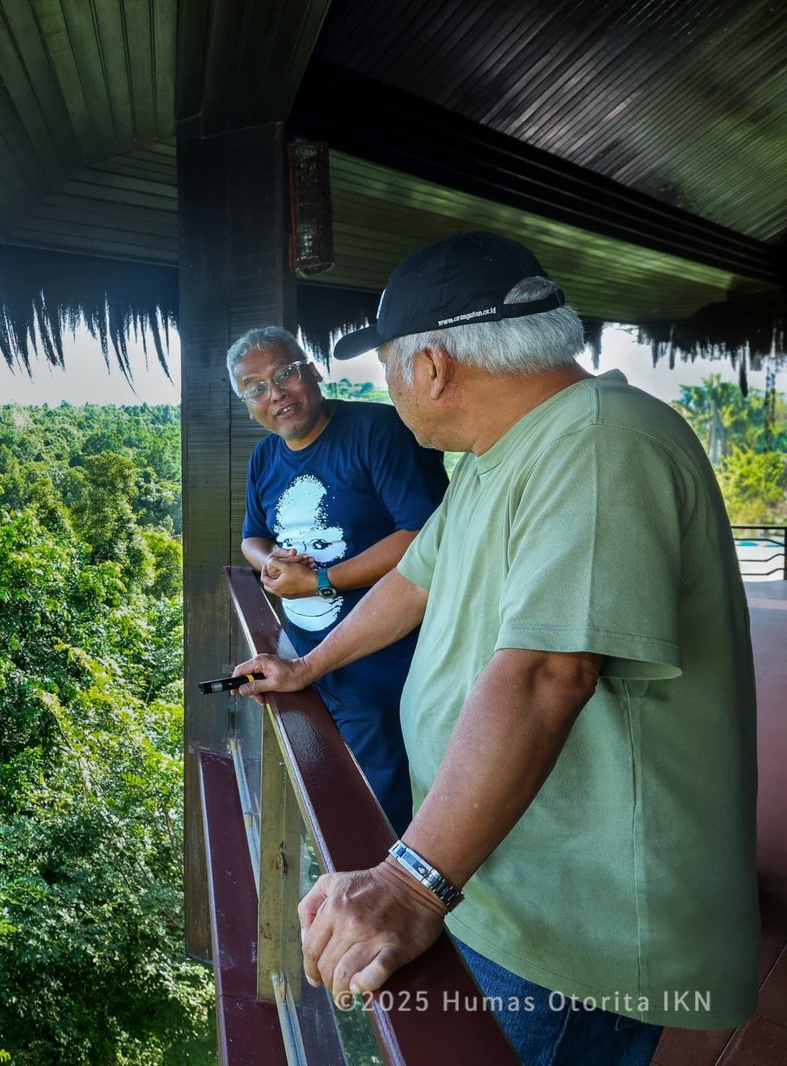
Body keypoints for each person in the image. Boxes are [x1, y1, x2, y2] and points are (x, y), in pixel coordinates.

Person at [235, 232, 758, 1066]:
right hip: (499, 880)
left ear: (432, 367)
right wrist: (307, 667)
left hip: (571, 924)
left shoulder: (599, 441)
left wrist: (410, 883)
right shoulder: (494, 456)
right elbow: (414, 577)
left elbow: (553, 671)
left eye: (388, 367)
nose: (388, 387)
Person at [229, 327, 446, 833]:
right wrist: (270, 563)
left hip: (386, 667)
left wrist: (321, 581)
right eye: (256, 388)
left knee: (384, 815)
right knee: (334, 800)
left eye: (284, 373)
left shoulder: (378, 431)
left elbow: (425, 535)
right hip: (306, 660)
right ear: (247, 404)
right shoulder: (265, 456)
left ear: (312, 370)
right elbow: (252, 536)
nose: (275, 393)